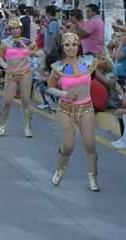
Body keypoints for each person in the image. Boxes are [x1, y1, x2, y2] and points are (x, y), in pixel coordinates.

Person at [46, 33, 101, 192]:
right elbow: (50, 87)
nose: (71, 48)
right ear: (63, 47)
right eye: (67, 45)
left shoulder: (88, 62)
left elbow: (108, 66)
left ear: (79, 46)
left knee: (90, 144)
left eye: (74, 45)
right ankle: (60, 169)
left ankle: (93, 176)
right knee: (68, 146)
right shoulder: (58, 67)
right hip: (66, 109)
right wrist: (64, 94)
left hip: (86, 107)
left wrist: (108, 56)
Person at [0, 18, 38, 137]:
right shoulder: (5, 42)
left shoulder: (28, 42)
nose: (15, 31)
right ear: (9, 30)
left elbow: (38, 53)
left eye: (17, 28)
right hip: (11, 74)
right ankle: (2, 124)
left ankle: (27, 127)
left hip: (25, 73)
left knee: (25, 101)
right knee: (7, 101)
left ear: (21, 29)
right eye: (12, 29)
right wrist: (5, 66)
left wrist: (35, 52)